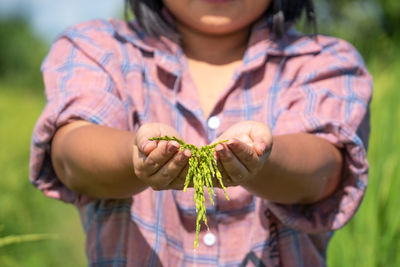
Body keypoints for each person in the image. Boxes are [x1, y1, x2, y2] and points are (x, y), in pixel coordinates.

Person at [30, 0, 372, 266]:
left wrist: (263, 159)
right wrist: (134, 157)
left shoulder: (324, 60)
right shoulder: (98, 47)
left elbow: (323, 171)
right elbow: (70, 154)